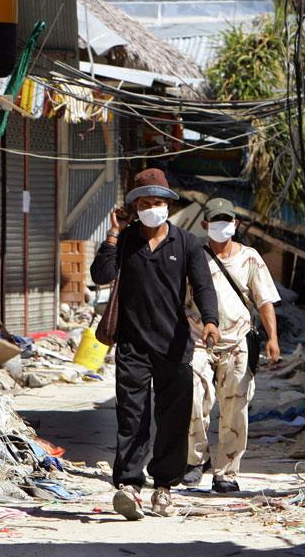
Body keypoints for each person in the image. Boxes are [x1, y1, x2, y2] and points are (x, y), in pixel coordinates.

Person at [91, 169, 220, 520]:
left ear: (168, 205)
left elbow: (204, 286)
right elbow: (100, 275)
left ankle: (164, 487)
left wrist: (211, 321)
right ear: (134, 207)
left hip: (175, 345)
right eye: (145, 203)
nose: (153, 209)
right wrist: (114, 232)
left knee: (174, 419)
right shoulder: (127, 240)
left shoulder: (188, 243)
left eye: (158, 203)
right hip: (133, 345)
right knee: (132, 417)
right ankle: (130, 485)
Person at [183, 198, 282, 493]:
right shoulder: (193, 255)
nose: (223, 226)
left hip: (238, 340)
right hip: (197, 339)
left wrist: (272, 338)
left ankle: (226, 471)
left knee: (235, 407)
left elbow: (264, 300)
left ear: (236, 224)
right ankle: (195, 460)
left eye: (228, 220)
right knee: (191, 396)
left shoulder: (250, 258)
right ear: (205, 225)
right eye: (216, 221)